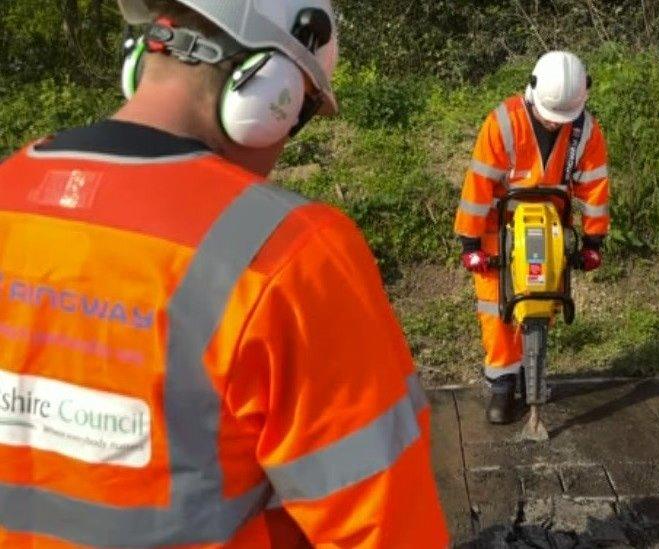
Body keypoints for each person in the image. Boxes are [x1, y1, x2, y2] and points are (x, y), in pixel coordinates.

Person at [0, 0, 450, 546]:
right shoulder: (290, 254)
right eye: (299, 113)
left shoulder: (10, 194)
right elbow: (386, 527)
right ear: (269, 96)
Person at [454, 51, 611, 425]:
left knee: (541, 303)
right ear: (533, 90)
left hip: (550, 226)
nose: (555, 124)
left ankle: (530, 374)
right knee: (497, 309)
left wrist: (592, 242)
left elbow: (594, 187)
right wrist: (471, 245)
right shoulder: (504, 123)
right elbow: (479, 184)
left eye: (563, 119)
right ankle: (503, 386)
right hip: (500, 228)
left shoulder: (585, 131)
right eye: (548, 117)